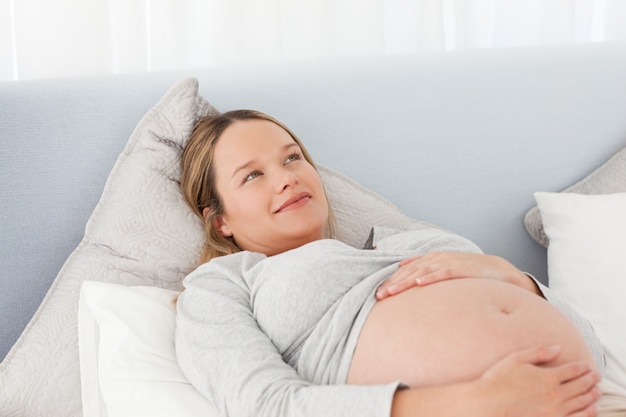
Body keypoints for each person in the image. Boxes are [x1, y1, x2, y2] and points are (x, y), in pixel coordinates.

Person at [175, 109, 605, 417]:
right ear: (221, 219)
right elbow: (263, 405)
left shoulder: (408, 239)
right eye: (252, 175)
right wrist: (476, 401)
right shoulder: (224, 283)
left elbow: (590, 346)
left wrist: (512, 277)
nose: (287, 176)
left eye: (292, 157)